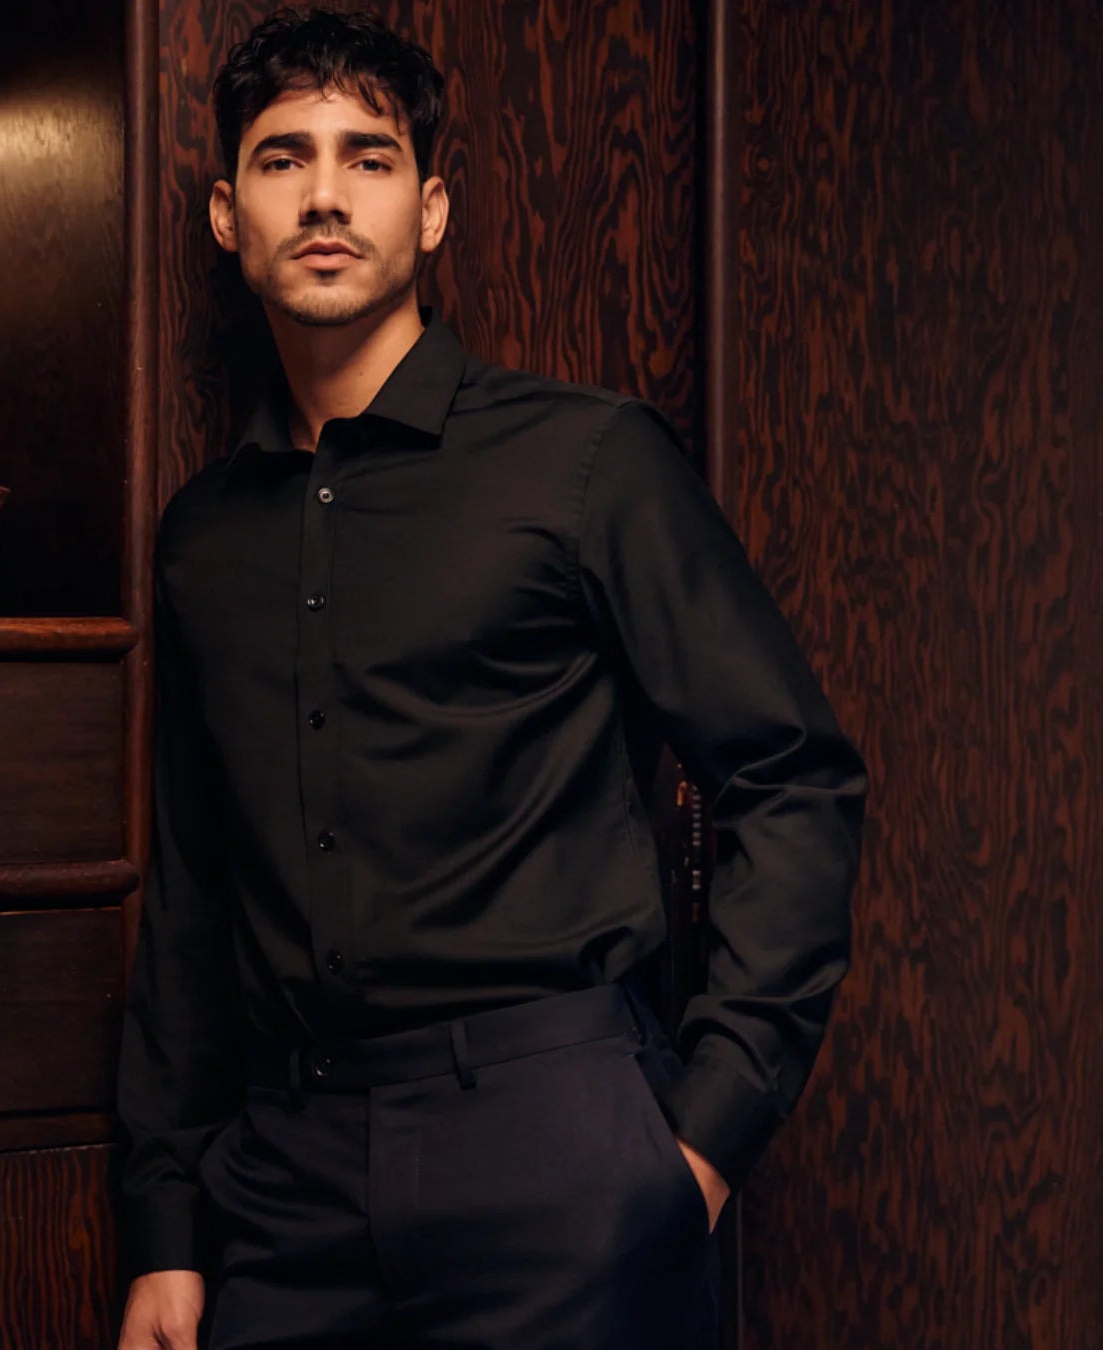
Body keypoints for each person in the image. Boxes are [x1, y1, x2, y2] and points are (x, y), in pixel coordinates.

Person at [113, 9, 868, 1348]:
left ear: (432, 209)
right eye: (284, 159)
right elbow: (191, 892)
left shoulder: (586, 462)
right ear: (228, 216)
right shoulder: (203, 537)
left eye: (370, 157)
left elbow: (790, 777)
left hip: (559, 1157)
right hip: (285, 1186)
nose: (327, 195)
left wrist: (701, 1143)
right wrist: (167, 1230)